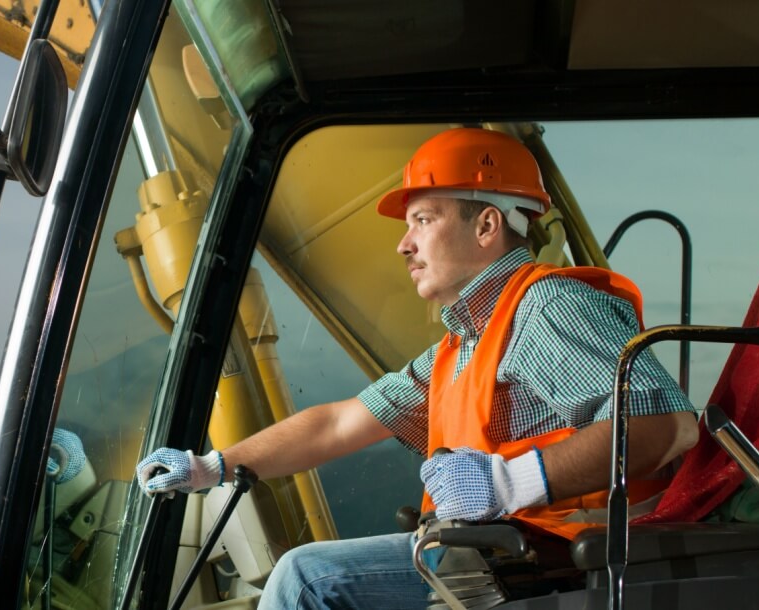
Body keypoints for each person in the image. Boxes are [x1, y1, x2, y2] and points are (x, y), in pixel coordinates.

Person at [135, 127, 698, 608]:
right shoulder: (467, 342)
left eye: (423, 219)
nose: (404, 245)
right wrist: (213, 466)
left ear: (487, 226)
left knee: (309, 581)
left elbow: (665, 426)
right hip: (495, 560)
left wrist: (507, 481)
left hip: (556, 567)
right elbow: (338, 423)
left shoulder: (546, 310)